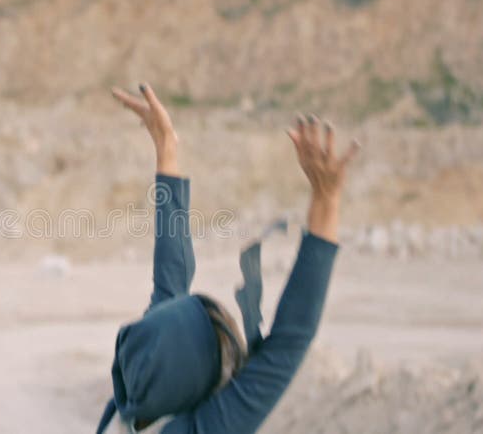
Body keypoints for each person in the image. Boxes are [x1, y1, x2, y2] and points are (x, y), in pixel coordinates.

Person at [96, 83, 360, 434]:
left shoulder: (131, 401)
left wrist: (167, 151)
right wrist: (326, 202)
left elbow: (170, 279)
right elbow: (288, 342)